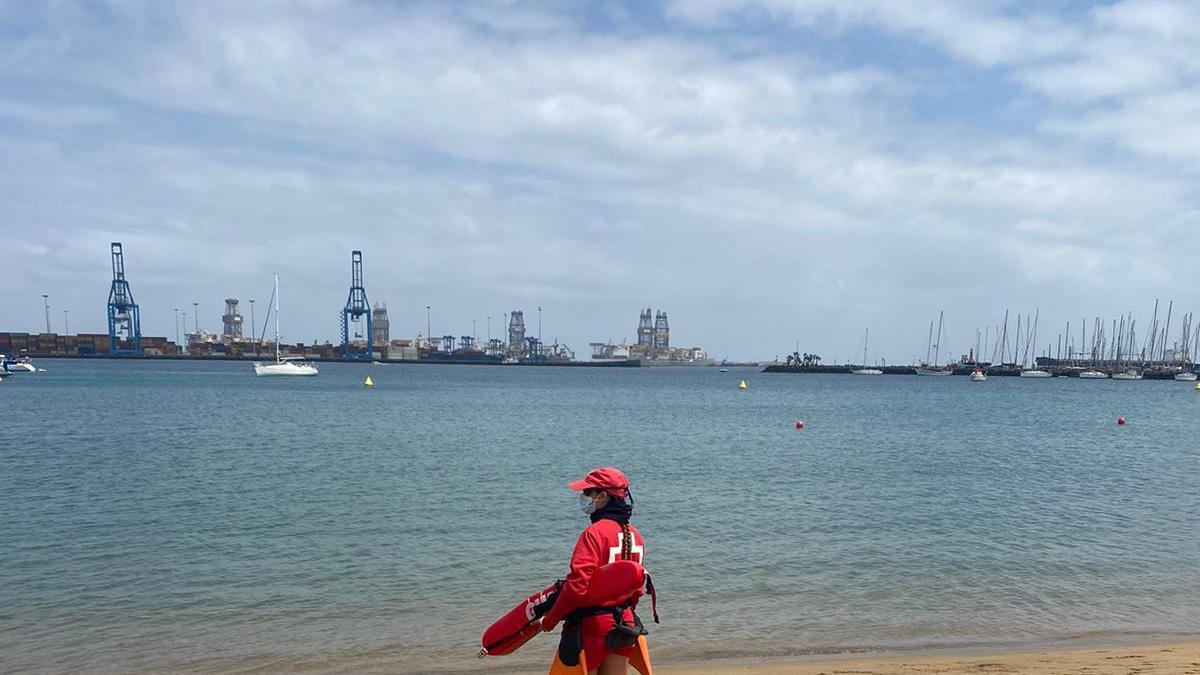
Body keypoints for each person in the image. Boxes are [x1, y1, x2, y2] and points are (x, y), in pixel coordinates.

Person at [541, 467, 652, 675]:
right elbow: (636, 589)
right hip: (625, 626)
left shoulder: (593, 534)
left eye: (587, 492)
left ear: (602, 496)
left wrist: (551, 619)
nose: (583, 497)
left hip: (593, 630)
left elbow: (576, 587)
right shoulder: (636, 535)